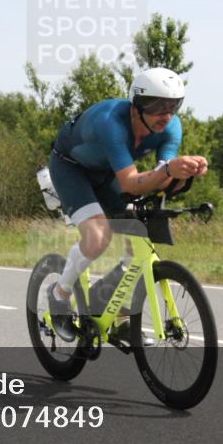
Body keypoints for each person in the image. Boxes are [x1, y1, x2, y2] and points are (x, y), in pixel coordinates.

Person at [45, 67, 209, 341]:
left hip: (108, 173)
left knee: (138, 238)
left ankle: (116, 311)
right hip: (71, 168)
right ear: (137, 104)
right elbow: (133, 182)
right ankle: (59, 295)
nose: (165, 115)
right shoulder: (111, 122)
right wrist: (169, 170)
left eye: (173, 105)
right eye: (157, 105)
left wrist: (183, 174)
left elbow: (160, 177)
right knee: (98, 237)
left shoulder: (171, 127)